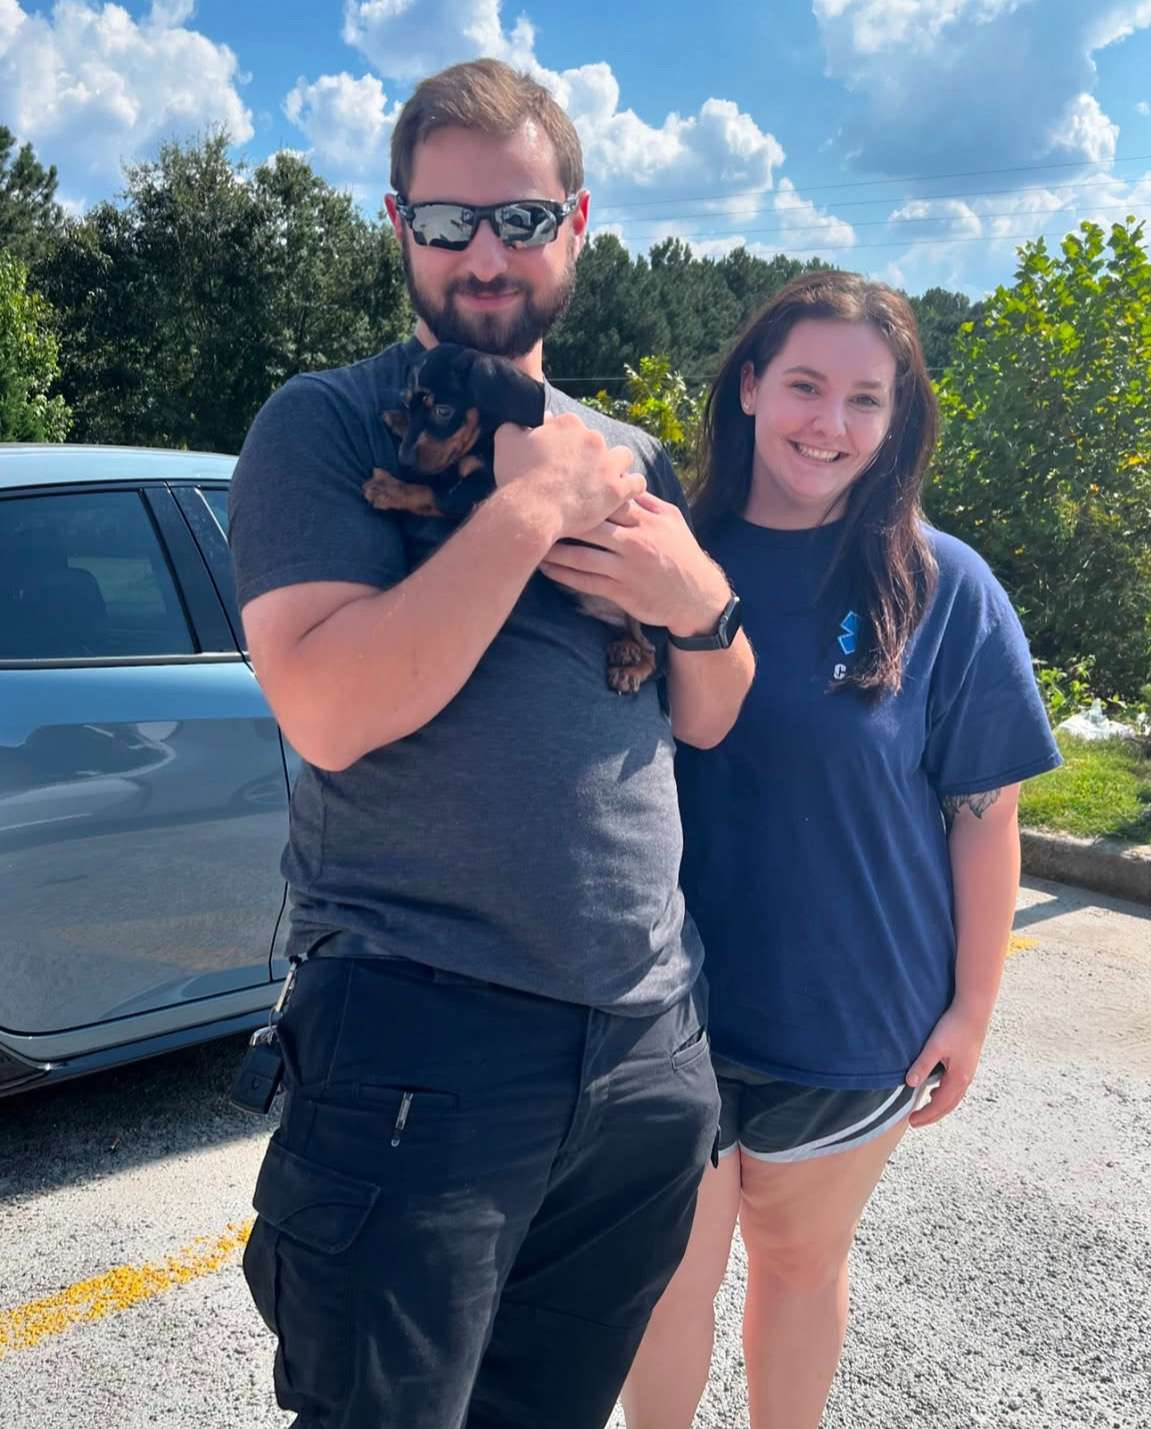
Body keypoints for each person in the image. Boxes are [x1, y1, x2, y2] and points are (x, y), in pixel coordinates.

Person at [228, 57, 754, 1429]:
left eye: (519, 219)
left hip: (645, 1050)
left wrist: (703, 607)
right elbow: (328, 709)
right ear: (397, 223)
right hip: (421, 1037)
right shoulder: (326, 426)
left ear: (575, 226)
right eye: (448, 218)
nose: (483, 253)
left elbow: (708, 711)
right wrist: (525, 516)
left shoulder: (629, 454)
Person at [620, 272, 1061, 1429]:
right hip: (662, 1010)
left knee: (800, 1268)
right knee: (665, 1279)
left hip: (853, 1018)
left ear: (897, 419)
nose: (830, 422)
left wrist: (972, 1009)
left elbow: (985, 814)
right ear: (752, 387)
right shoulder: (663, 558)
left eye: (866, 399)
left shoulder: (943, 587)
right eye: (806, 384)